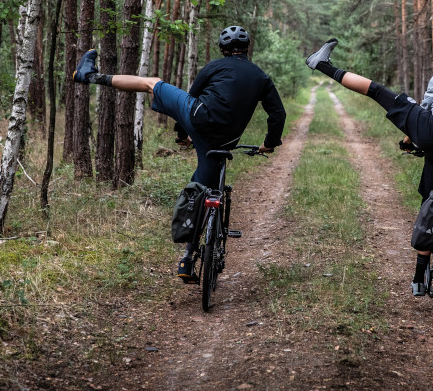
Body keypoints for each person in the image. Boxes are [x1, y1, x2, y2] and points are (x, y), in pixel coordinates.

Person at [74, 25, 286, 282]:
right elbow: (278, 113)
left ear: (223, 49)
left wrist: (181, 133)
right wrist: (269, 143)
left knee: (151, 83)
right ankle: (187, 258)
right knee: (205, 187)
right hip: (226, 140)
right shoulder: (261, 77)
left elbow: (192, 96)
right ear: (247, 49)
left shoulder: (214, 67)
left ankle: (88, 76)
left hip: (200, 121)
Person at [305, 30, 433, 296]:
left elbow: (426, 113)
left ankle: (322, 65)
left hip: (432, 136)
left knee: (379, 92)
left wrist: (409, 140)